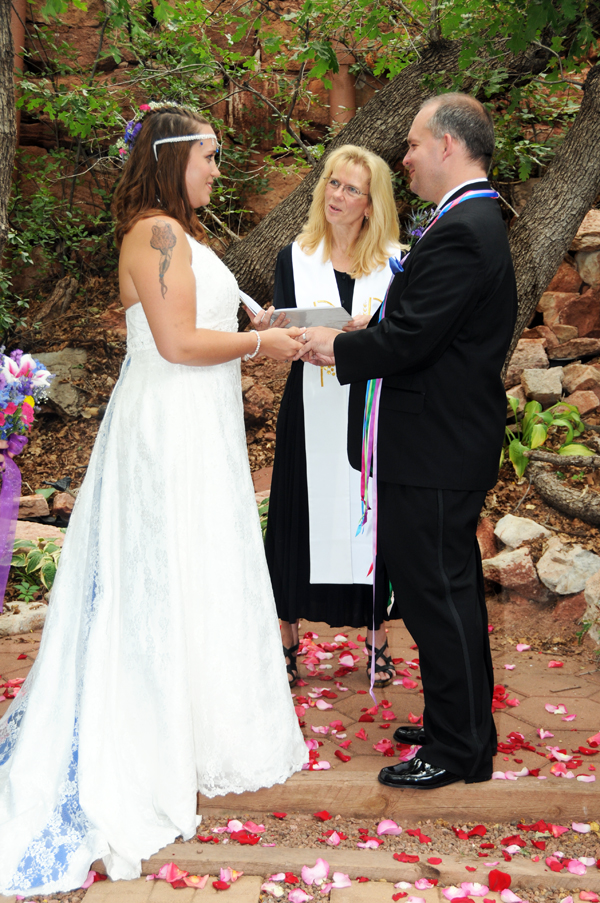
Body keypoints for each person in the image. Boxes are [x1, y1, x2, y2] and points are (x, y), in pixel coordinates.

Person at [0, 104, 308, 896]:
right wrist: (257, 344)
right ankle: (146, 740)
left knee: (196, 569)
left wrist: (261, 325)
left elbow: (197, 322)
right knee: (159, 576)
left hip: (197, 428)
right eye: (208, 156)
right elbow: (174, 345)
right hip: (165, 429)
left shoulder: (183, 234)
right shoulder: (156, 234)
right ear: (174, 159)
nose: (217, 169)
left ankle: (197, 726)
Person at [298, 93, 518, 788]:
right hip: (437, 441)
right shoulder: (467, 220)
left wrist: (337, 346)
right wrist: (367, 334)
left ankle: (458, 748)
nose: (407, 157)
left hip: (435, 447)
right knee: (443, 592)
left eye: (416, 144)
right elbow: (426, 323)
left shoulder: (465, 228)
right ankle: (463, 723)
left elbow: (415, 337)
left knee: (435, 593)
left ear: (449, 146)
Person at [252, 145, 402, 689]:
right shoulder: (296, 254)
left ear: (371, 202)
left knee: (370, 517)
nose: (338, 196)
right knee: (296, 515)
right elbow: (286, 335)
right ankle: (287, 640)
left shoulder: (395, 261)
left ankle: (377, 638)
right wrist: (282, 329)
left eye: (352, 189)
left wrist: (369, 334)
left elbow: (406, 339)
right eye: (333, 184)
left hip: (368, 409)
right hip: (310, 401)